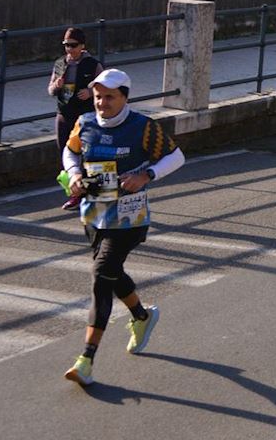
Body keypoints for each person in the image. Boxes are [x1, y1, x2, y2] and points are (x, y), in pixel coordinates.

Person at [62, 69, 185, 387]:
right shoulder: (85, 123)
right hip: (94, 214)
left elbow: (177, 157)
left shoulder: (143, 128)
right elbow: (71, 151)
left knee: (101, 276)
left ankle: (86, 360)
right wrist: (74, 172)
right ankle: (142, 317)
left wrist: (147, 176)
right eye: (99, 96)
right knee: (112, 273)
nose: (103, 103)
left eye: (110, 97)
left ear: (125, 97)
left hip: (129, 218)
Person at [47, 27, 102, 211]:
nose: (69, 49)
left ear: (82, 46)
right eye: (66, 45)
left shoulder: (93, 65)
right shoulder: (60, 64)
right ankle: (73, 195)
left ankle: (89, 193)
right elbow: (50, 90)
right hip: (64, 115)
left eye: (73, 45)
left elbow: (106, 89)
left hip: (85, 117)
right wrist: (56, 85)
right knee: (66, 155)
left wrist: (91, 92)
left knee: (87, 156)